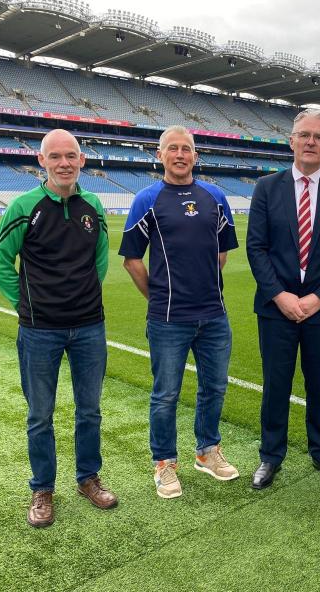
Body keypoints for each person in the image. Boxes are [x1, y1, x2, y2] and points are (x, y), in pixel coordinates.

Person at [0, 129, 117, 528]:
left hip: (89, 329)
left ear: (82, 161)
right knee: (40, 415)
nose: (64, 163)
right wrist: (26, 304)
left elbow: (99, 261)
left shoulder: (93, 205)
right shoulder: (24, 207)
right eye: (56, 156)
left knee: (90, 410)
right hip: (39, 331)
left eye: (72, 156)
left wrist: (83, 298)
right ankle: (42, 488)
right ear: (41, 161)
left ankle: (88, 479)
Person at [120, 125, 239, 499]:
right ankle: (164, 464)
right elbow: (132, 261)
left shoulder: (216, 196)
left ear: (195, 155)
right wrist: (157, 298)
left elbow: (220, 255)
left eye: (186, 148)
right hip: (168, 319)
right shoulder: (147, 200)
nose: (180, 154)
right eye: (172, 148)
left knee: (214, 387)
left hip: (214, 317)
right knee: (166, 394)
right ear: (160, 155)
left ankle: (207, 452)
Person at [246, 108, 320, 489]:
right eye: (304, 135)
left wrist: (318, 298)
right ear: (291, 140)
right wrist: (280, 295)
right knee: (276, 384)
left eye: (319, 137)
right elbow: (256, 248)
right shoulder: (266, 187)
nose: (310, 142)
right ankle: (270, 455)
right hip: (276, 309)